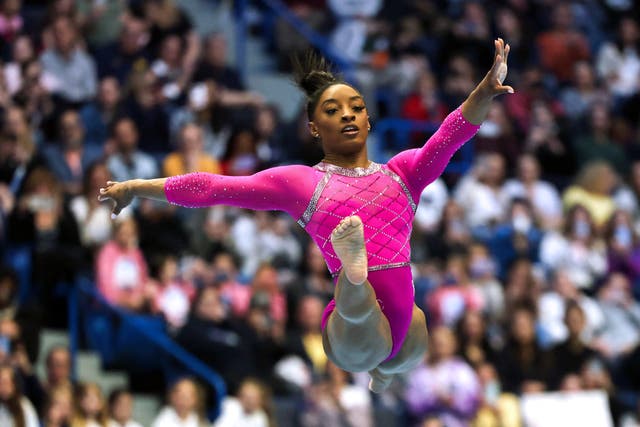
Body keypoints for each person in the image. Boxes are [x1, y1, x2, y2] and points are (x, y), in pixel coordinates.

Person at [99, 39, 514, 392]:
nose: (348, 115)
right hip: (351, 328)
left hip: (402, 330)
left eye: (355, 107)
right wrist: (138, 187)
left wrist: (485, 90)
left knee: (405, 349)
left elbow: (449, 135)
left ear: (369, 119)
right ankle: (355, 275)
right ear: (314, 129)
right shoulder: (302, 184)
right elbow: (214, 188)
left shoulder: (403, 172)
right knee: (367, 321)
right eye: (333, 112)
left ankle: (383, 371)